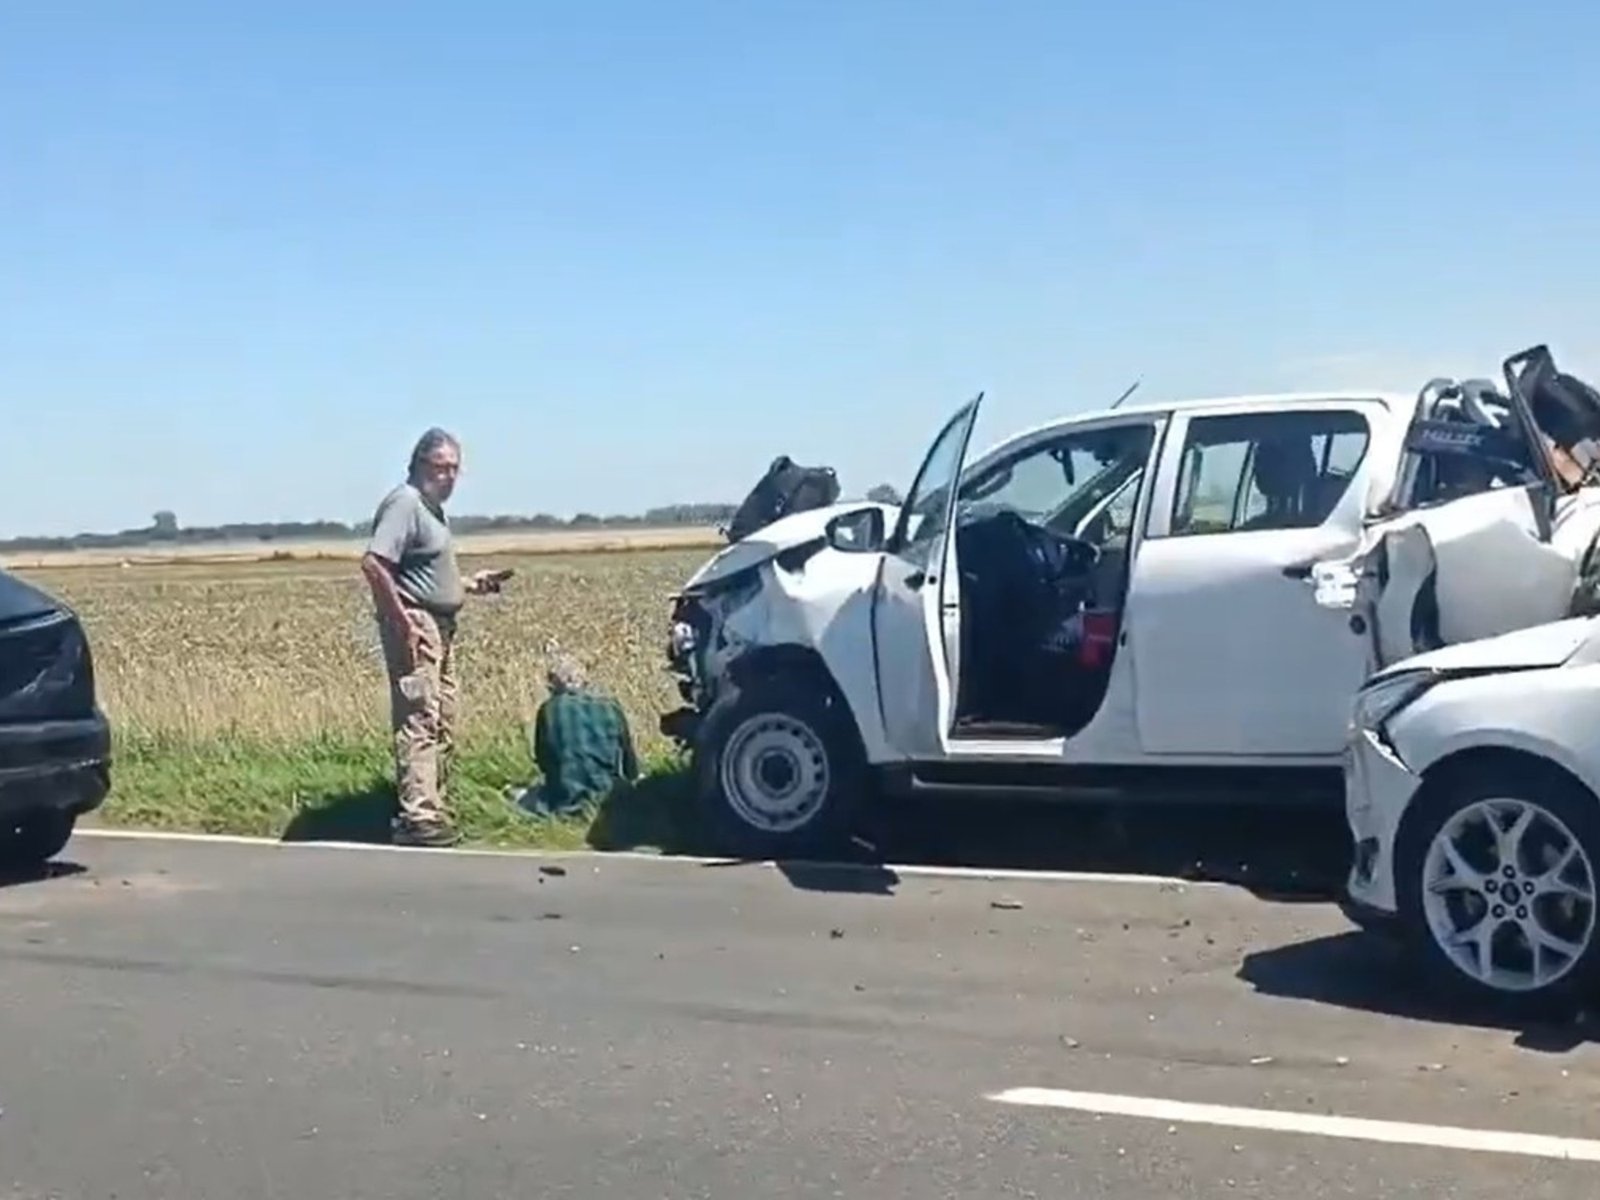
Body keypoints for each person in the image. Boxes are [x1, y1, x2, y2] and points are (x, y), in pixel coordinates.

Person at [361, 428, 508, 847]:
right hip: (417, 624)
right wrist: (403, 622)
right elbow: (375, 565)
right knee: (420, 714)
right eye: (440, 467)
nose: (448, 477)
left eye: (454, 469)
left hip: (440, 623)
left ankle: (433, 803)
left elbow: (423, 575)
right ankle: (417, 816)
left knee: (443, 713)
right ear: (419, 464)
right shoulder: (405, 504)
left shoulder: (431, 511)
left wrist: (470, 585)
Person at [519, 651, 639, 817]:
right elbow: (630, 765)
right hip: (609, 798)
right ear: (584, 679)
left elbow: (544, 762)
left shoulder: (549, 709)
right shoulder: (611, 706)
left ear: (554, 683)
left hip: (565, 802)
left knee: (520, 798)